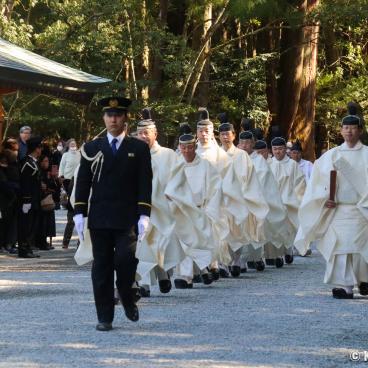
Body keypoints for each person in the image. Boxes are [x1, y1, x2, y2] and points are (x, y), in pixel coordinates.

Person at [73, 96, 152, 331]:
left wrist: (144, 214)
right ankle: (104, 317)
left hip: (127, 218)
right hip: (100, 216)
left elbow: (144, 183)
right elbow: (83, 182)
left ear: (125, 118)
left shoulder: (138, 148)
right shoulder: (91, 148)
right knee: (102, 267)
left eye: (118, 115)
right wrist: (79, 212)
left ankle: (127, 296)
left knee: (125, 263)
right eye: (109, 115)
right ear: (104, 118)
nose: (113, 119)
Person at [295, 114, 368, 299]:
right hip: (339, 209)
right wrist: (323, 199)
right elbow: (317, 183)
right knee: (340, 247)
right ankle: (344, 286)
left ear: (360, 130)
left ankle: (364, 280)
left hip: (362, 210)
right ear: (341, 130)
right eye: (345, 127)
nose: (349, 131)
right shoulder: (332, 156)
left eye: (353, 127)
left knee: (361, 248)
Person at [135, 108, 184, 297]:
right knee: (141, 244)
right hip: (140, 207)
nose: (142, 136)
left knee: (160, 243)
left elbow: (178, 178)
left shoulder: (168, 154)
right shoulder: (133, 154)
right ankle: (143, 283)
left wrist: (172, 195)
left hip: (162, 207)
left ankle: (163, 272)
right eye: (139, 133)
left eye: (146, 133)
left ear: (155, 134)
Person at [165, 133, 222, 288]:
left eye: (190, 147)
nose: (187, 151)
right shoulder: (175, 166)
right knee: (184, 242)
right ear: (179, 148)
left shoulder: (206, 165)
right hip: (181, 210)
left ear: (195, 147)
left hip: (200, 209)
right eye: (183, 147)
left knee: (198, 242)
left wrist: (210, 208)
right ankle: (185, 276)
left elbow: (216, 187)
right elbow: (168, 187)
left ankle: (204, 269)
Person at [218, 123, 269, 277]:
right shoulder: (216, 154)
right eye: (222, 134)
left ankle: (236, 260)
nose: (225, 137)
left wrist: (249, 196)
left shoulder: (241, 155)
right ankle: (222, 263)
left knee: (237, 231)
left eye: (228, 134)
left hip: (238, 198)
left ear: (234, 135)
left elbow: (249, 178)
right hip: (220, 199)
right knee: (221, 231)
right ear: (219, 136)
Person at [238, 131, 291, 270]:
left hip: (254, 200)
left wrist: (251, 194)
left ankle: (255, 258)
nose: (244, 146)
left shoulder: (259, 161)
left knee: (255, 230)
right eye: (242, 143)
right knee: (240, 230)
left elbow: (263, 181)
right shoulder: (234, 158)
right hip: (238, 200)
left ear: (252, 143)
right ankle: (240, 261)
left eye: (247, 143)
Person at [268, 137, 306, 265]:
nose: (277, 152)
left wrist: (299, 200)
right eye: (275, 149)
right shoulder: (268, 164)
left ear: (285, 150)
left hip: (289, 201)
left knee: (289, 229)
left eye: (280, 149)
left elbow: (300, 184)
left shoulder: (293, 165)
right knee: (274, 229)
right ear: (272, 150)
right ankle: (277, 254)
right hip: (273, 202)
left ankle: (288, 250)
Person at [18, 136, 43, 258]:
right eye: (39, 147)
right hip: (27, 200)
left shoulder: (33, 162)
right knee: (25, 225)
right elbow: (25, 182)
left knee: (32, 224)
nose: (41, 150)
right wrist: (26, 200)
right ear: (35, 149)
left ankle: (28, 246)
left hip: (35, 199)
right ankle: (23, 248)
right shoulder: (27, 163)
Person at [37, 155, 56, 250]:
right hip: (42, 200)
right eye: (44, 161)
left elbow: (53, 186)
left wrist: (53, 178)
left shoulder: (49, 173)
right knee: (42, 223)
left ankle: (45, 241)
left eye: (47, 161)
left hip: (48, 200)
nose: (46, 163)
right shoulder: (40, 172)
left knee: (48, 223)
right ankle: (41, 242)